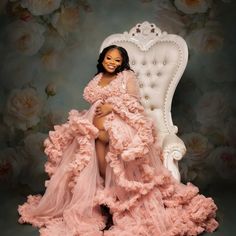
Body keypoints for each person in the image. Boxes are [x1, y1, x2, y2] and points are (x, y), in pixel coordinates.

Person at [18, 45, 219, 236]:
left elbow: (133, 101)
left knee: (108, 142)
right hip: (92, 127)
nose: (112, 62)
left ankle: (115, 197)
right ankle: (102, 198)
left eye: (117, 59)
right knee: (90, 149)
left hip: (121, 124)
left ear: (122, 62)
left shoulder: (126, 77)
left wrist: (110, 106)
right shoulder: (97, 78)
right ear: (102, 59)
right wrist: (100, 107)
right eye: (109, 58)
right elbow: (90, 97)